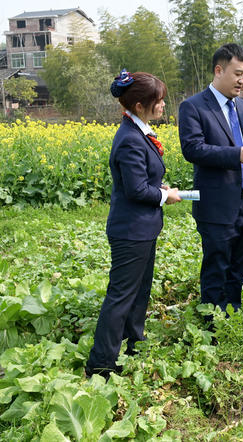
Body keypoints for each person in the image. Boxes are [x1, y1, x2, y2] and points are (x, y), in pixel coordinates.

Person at [178, 44, 243, 320]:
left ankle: (232, 311)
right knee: (217, 263)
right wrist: (235, 155)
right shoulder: (193, 107)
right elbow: (192, 149)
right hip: (216, 203)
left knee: (241, 261)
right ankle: (210, 321)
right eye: (238, 74)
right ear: (219, 70)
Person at [86, 70, 181, 378]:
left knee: (139, 291)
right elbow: (136, 189)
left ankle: (133, 345)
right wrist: (164, 197)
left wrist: (160, 188)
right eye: (159, 100)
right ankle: (101, 364)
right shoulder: (129, 139)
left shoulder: (138, 131)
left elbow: (143, 181)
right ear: (140, 105)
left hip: (143, 228)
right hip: (131, 231)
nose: (163, 105)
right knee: (121, 295)